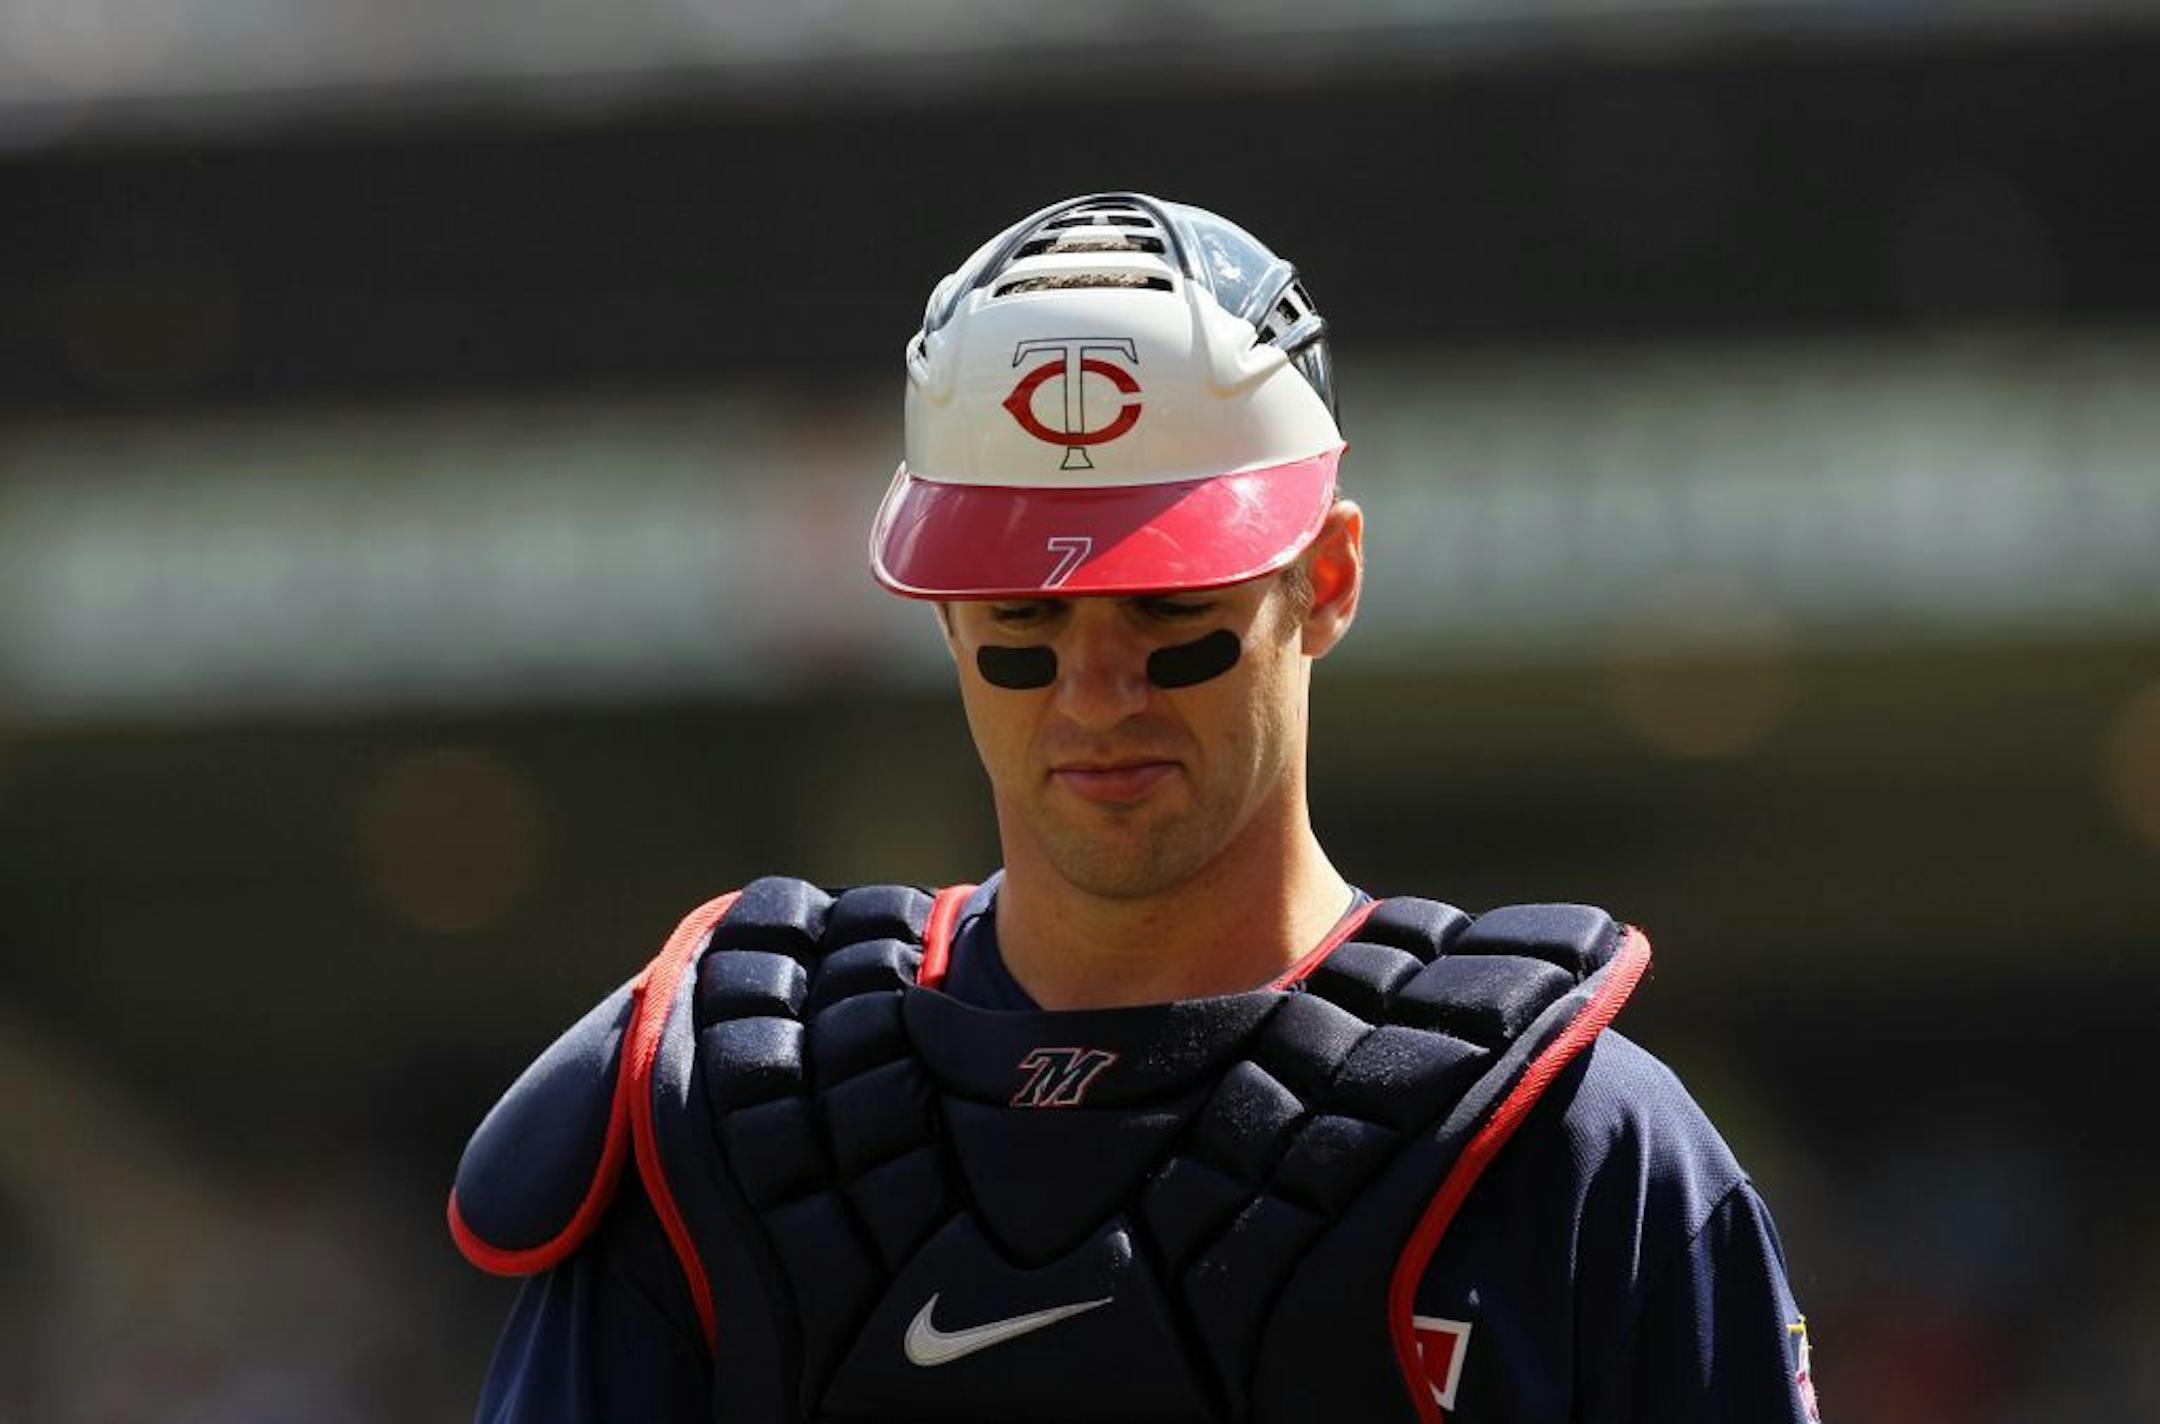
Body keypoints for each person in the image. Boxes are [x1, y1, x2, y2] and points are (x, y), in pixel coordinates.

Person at [447, 193, 1820, 1423]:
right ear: (941, 616)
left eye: (1174, 609)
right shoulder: (721, 1120)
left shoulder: (1574, 1148)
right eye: (1022, 618)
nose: (1096, 695)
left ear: (1327, 578)